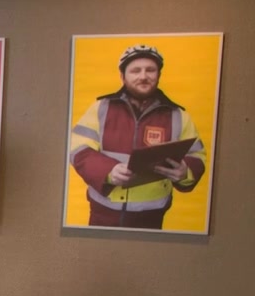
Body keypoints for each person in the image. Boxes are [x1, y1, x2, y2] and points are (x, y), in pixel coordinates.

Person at [69, 44, 207, 229]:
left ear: (159, 75)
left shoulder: (179, 116)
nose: (143, 76)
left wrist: (185, 172)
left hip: (151, 218)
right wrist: (109, 170)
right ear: (122, 76)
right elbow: (78, 148)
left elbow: (197, 156)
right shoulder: (100, 108)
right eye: (135, 70)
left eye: (150, 70)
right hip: (103, 214)